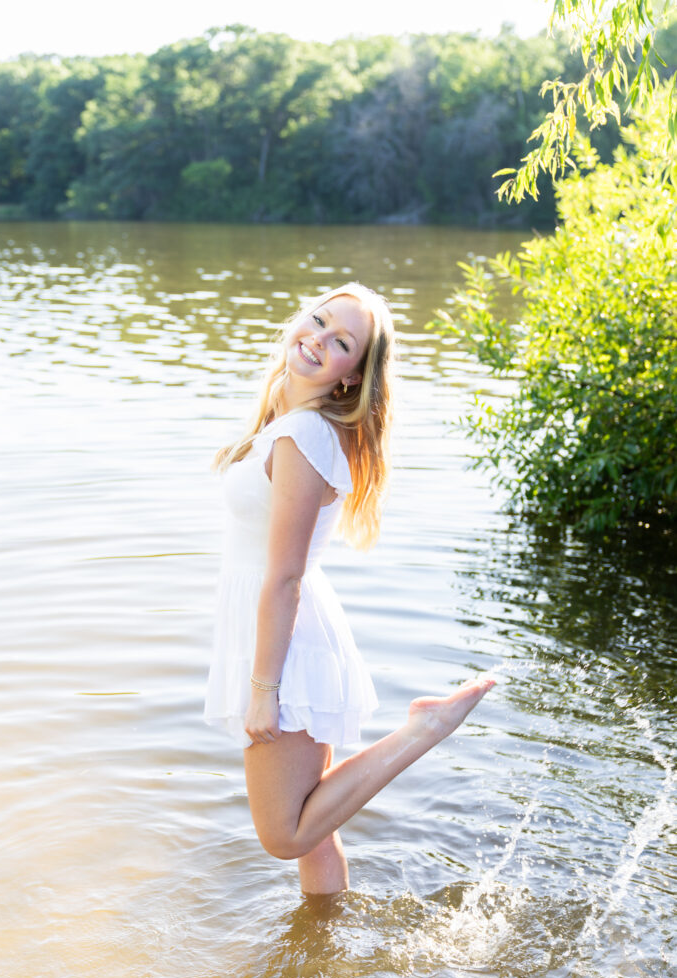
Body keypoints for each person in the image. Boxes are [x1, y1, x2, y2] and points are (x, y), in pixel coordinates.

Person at [205, 282, 495, 894]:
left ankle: (423, 730)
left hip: (285, 649)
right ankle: (321, 937)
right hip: (278, 634)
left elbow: (285, 576)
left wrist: (264, 690)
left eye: (342, 342)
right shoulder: (287, 422)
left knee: (285, 835)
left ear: (352, 376)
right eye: (319, 320)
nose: (318, 339)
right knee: (315, 831)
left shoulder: (304, 436)